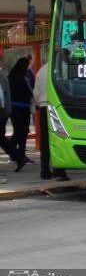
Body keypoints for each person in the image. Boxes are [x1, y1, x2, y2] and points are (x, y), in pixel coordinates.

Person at [33, 63, 69, 181]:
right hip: (56, 107)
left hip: (43, 106)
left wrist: (39, 102)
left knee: (44, 139)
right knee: (59, 138)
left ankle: (44, 170)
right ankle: (59, 169)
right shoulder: (62, 67)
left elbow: (36, 92)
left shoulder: (41, 70)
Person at [8, 57, 32, 172]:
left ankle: (17, 155)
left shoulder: (11, 76)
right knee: (22, 133)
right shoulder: (23, 77)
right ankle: (18, 154)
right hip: (24, 108)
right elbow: (29, 91)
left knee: (17, 131)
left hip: (13, 108)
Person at [0, 55, 16, 184]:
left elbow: (3, 96)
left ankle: (16, 155)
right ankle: (17, 155)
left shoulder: (2, 76)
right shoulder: (3, 75)